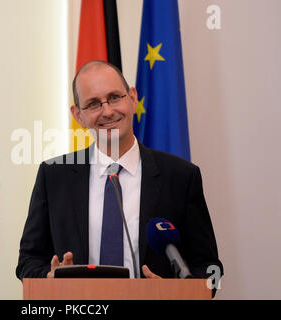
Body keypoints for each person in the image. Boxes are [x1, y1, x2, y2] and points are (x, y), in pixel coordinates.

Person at [16, 60, 223, 284]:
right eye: (93, 104)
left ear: (132, 98)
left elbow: (211, 269)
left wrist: (174, 291)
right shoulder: (53, 176)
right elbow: (27, 262)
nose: (107, 111)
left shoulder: (182, 177)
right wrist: (51, 277)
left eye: (114, 97)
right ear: (78, 116)